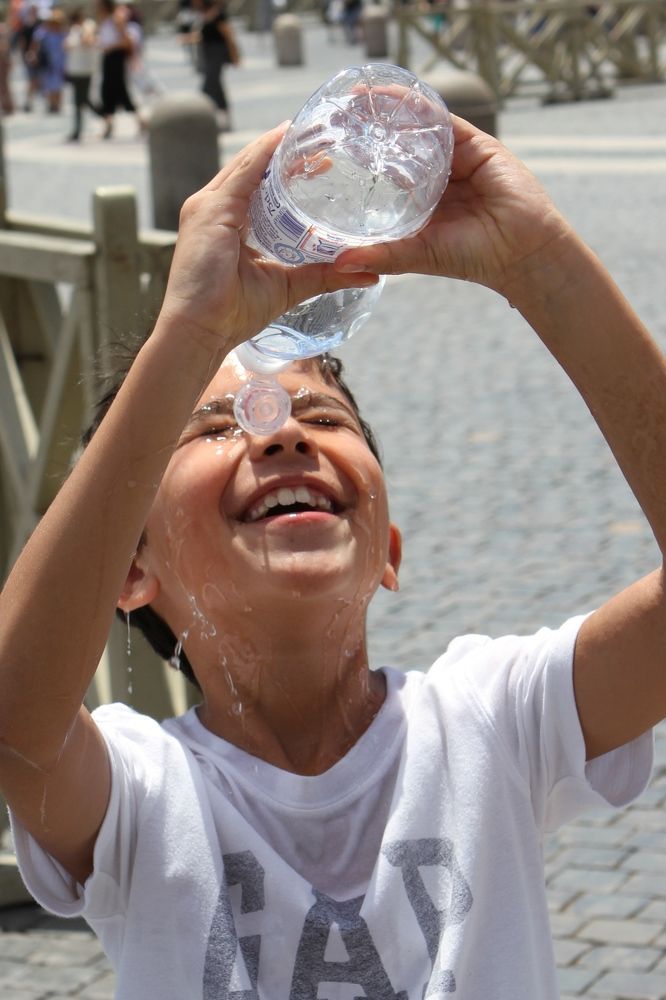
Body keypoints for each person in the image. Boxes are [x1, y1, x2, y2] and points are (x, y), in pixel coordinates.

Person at [0, 116, 664, 998]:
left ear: (387, 549)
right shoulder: (142, 795)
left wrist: (540, 266)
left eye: (324, 419)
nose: (280, 441)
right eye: (209, 429)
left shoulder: (490, 723)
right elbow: (17, 724)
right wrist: (188, 331)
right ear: (128, 570)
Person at [190, 0, 239, 132]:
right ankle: (223, 117)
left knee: (209, 85)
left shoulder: (218, 13)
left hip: (217, 53)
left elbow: (227, 34)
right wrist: (187, 38)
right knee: (216, 85)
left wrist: (235, 53)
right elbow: (204, 35)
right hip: (208, 54)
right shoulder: (204, 14)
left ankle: (203, 118)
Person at [95, 0, 140, 138]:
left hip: (116, 58)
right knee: (107, 91)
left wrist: (111, 47)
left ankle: (141, 121)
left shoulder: (117, 19)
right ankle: (108, 124)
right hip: (108, 59)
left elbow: (127, 41)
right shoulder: (105, 20)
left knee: (119, 90)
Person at [63, 7, 97, 141]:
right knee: (80, 100)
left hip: (84, 70)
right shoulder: (73, 30)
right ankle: (78, 129)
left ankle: (103, 116)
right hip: (75, 69)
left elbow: (87, 41)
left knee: (82, 100)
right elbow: (66, 46)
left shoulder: (88, 26)